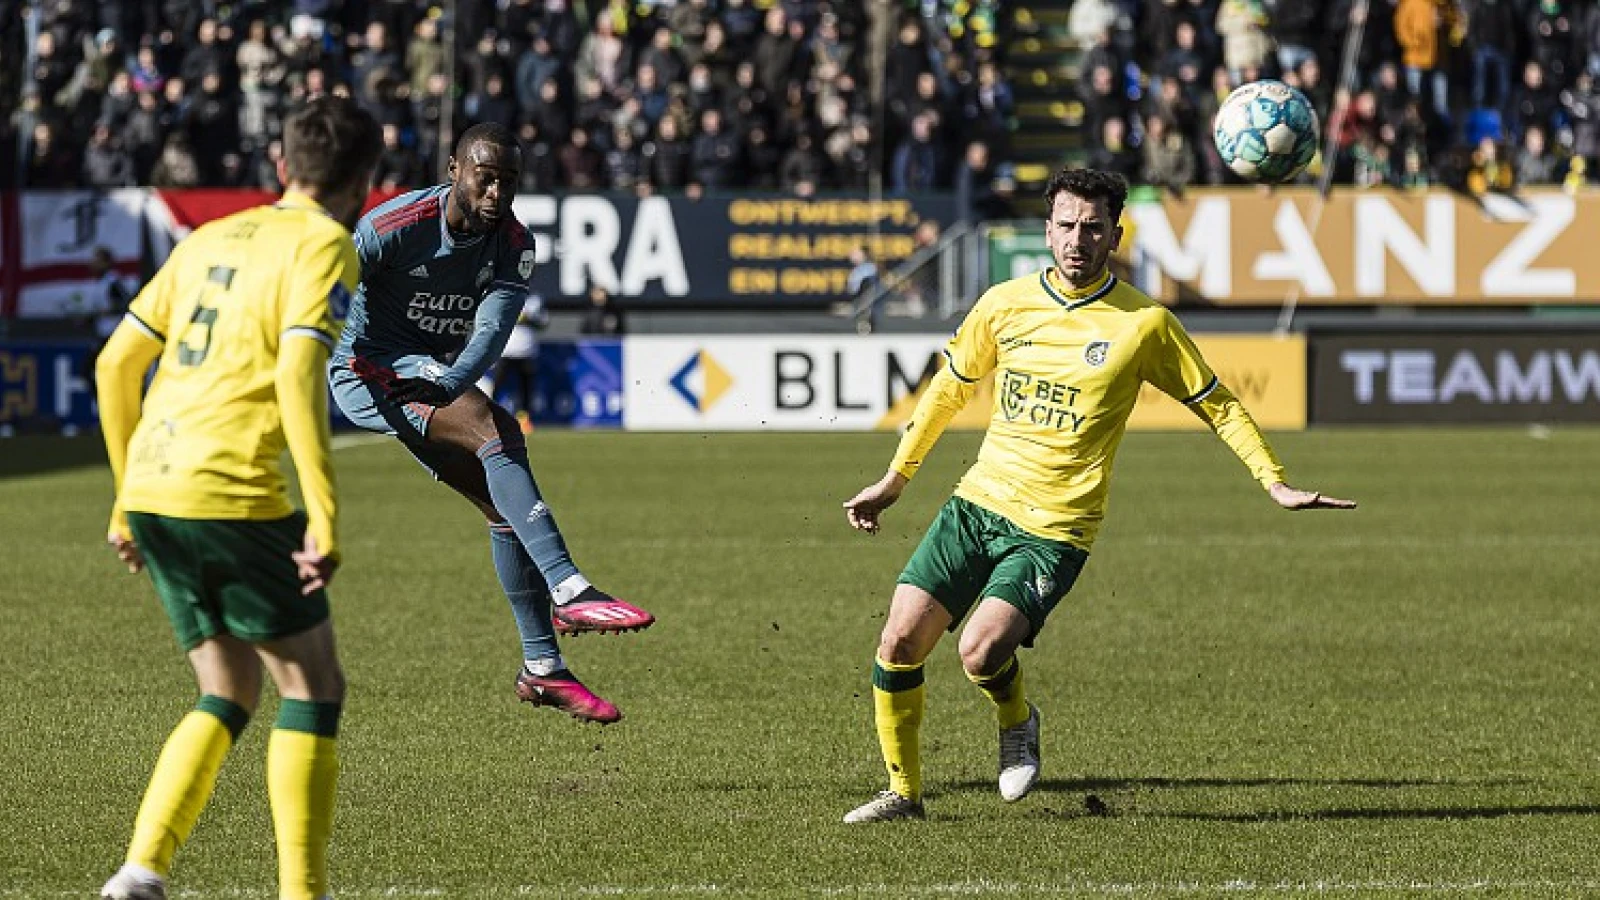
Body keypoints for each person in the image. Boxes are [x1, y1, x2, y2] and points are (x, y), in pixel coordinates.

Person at [839, 167, 1356, 823]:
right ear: (1046, 231)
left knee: (979, 651)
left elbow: (1218, 405)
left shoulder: (1145, 324)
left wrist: (1273, 480)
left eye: (1092, 228)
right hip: (976, 505)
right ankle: (904, 795)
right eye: (1065, 226)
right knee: (899, 642)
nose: (1077, 240)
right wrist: (895, 480)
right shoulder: (1004, 303)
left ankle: (1018, 719)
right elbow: (947, 391)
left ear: (1114, 234)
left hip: (1056, 528)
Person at [96, 96, 383, 900]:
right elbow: (298, 372)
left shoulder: (211, 237)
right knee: (314, 686)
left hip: (154, 485)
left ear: (283, 165)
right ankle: (303, 891)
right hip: (229, 488)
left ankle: (140, 872)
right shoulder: (327, 246)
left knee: (227, 686)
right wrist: (323, 512)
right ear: (367, 182)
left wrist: (125, 498)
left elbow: (115, 366)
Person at [328, 122, 655, 726]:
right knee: (491, 425)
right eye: (486, 176)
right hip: (367, 372)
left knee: (502, 502)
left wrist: (449, 382)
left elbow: (491, 333)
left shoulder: (513, 242)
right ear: (454, 169)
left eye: (509, 181)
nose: (497, 192)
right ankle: (568, 586)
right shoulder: (393, 227)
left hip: (433, 375)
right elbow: (325, 283)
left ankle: (543, 669)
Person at [494, 290, 549, 433]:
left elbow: (544, 323)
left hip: (527, 351)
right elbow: (495, 318)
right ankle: (490, 417)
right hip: (506, 350)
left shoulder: (535, 300)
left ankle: (523, 420)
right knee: (497, 386)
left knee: (525, 388)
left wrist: (528, 319)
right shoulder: (506, 296)